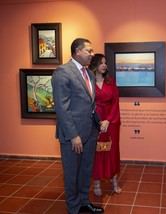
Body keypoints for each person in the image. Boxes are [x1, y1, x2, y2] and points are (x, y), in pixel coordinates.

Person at [51, 38, 104, 214]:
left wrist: (99, 122)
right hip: (73, 136)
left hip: (90, 133)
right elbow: (62, 108)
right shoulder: (62, 73)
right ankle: (73, 208)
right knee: (72, 173)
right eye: (88, 50)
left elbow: (89, 104)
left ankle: (83, 202)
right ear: (77, 51)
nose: (92, 54)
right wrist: (74, 135)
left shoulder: (88, 73)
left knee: (85, 170)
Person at [88, 54, 122, 196]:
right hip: (94, 121)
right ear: (95, 65)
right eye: (102, 63)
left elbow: (115, 102)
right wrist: (99, 120)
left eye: (105, 63)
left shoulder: (110, 81)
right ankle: (96, 183)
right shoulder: (87, 82)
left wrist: (108, 120)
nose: (105, 65)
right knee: (96, 152)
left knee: (111, 151)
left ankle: (114, 181)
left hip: (111, 121)